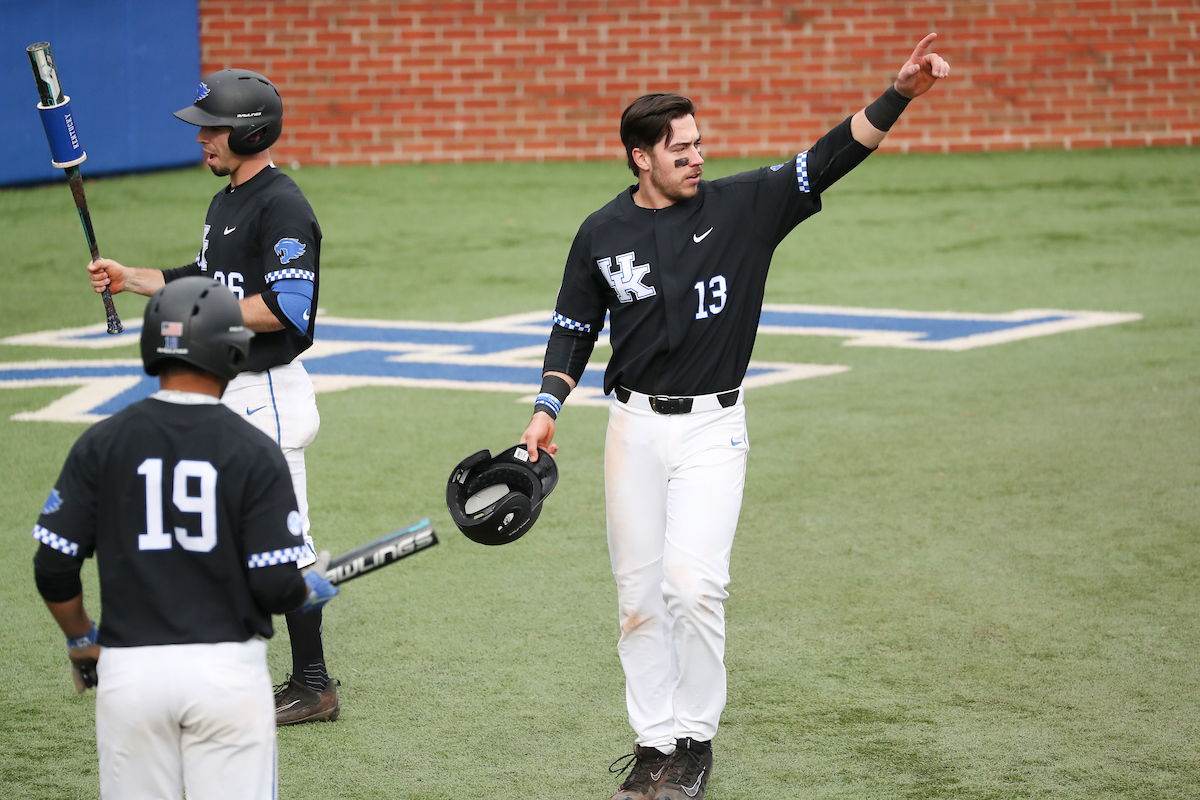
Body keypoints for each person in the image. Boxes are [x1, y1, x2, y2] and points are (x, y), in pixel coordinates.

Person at [519, 34, 950, 800]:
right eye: (677, 147)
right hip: (633, 430)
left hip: (714, 428)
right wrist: (549, 405)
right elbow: (574, 325)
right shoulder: (601, 233)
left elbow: (829, 157)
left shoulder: (745, 206)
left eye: (697, 142)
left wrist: (899, 93)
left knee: (693, 584)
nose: (695, 156)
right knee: (637, 598)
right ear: (638, 159)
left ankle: (695, 741)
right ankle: (652, 746)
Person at [86, 69, 338, 725]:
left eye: (213, 131)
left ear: (251, 131)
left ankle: (313, 684)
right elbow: (202, 278)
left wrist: (199, 314)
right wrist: (133, 277)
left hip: (269, 395)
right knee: (223, 534)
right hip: (232, 392)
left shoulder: (282, 204)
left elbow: (287, 306)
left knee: (286, 539)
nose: (203, 142)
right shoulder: (228, 200)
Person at [32, 277, 339, 799]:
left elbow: (53, 566)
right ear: (233, 349)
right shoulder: (254, 450)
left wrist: (84, 642)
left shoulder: (101, 442)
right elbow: (272, 584)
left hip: (131, 678)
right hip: (224, 676)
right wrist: (304, 591)